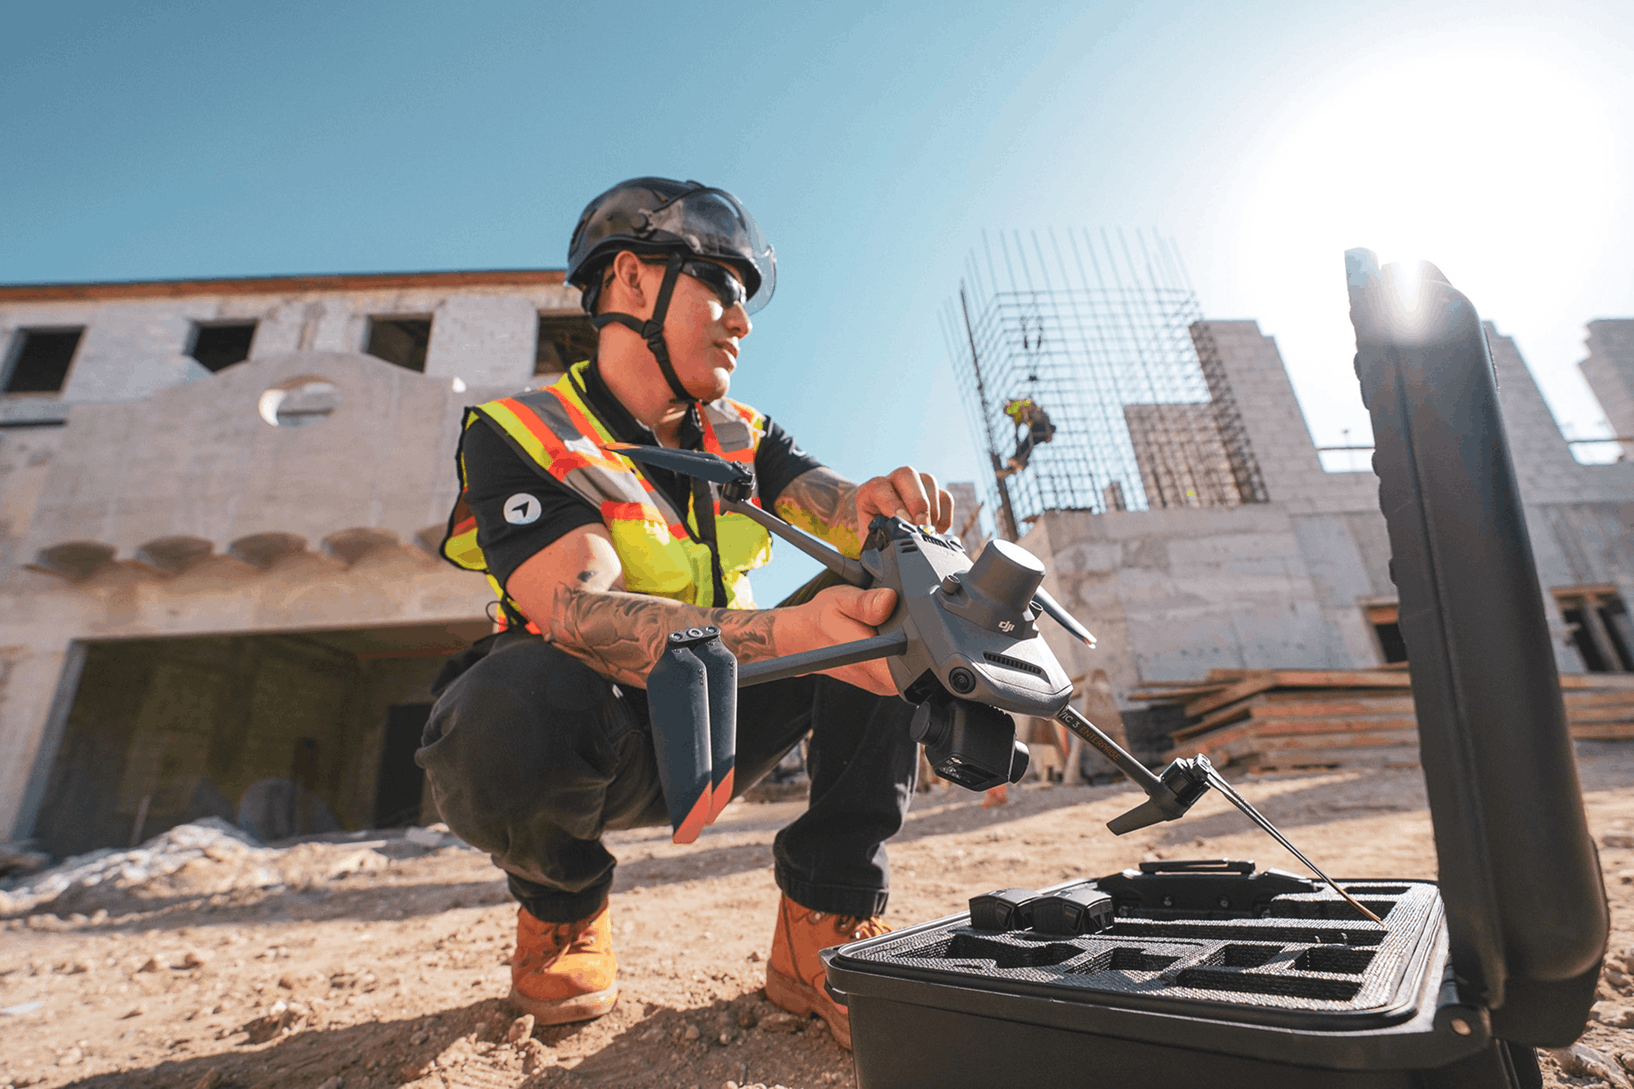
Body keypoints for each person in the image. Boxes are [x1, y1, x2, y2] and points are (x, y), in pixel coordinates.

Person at [418, 178, 953, 1048]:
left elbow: (837, 504)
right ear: (631, 281)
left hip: (736, 712)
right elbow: (576, 608)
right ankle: (562, 908)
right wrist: (793, 634)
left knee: (891, 582)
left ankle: (822, 918)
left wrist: (882, 504)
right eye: (723, 287)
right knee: (498, 705)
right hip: (604, 735)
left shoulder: (741, 432)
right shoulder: (522, 433)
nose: (742, 320)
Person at [997, 396, 1055, 476]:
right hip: (1040, 428)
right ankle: (1015, 464)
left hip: (1041, 426)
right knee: (1028, 443)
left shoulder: (1019, 407)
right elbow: (1017, 428)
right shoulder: (1018, 412)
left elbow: (1029, 403)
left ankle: (1018, 462)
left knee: (1028, 442)